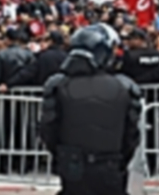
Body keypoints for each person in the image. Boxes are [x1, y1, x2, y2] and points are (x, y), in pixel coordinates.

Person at [40, 23, 141, 195]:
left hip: (73, 166)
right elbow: (131, 136)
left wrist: (61, 156)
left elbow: (48, 131)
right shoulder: (125, 86)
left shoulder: (57, 85)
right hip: (110, 166)